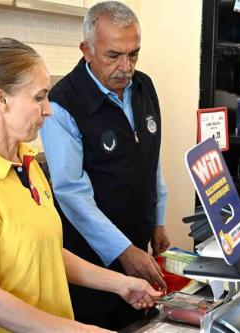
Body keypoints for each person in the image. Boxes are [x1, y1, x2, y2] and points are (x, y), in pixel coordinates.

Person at [0, 38, 161, 333]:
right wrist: (78, 330)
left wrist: (121, 284)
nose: (48, 110)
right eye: (39, 97)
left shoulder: (28, 167)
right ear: (2, 100)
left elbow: (47, 252)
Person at [40, 1, 170, 330]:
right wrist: (123, 251)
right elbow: (71, 193)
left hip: (136, 256)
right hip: (88, 267)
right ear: (87, 49)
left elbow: (150, 157)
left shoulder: (143, 88)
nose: (126, 67)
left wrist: (158, 219)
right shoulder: (62, 104)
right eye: (114, 55)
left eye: (134, 54)